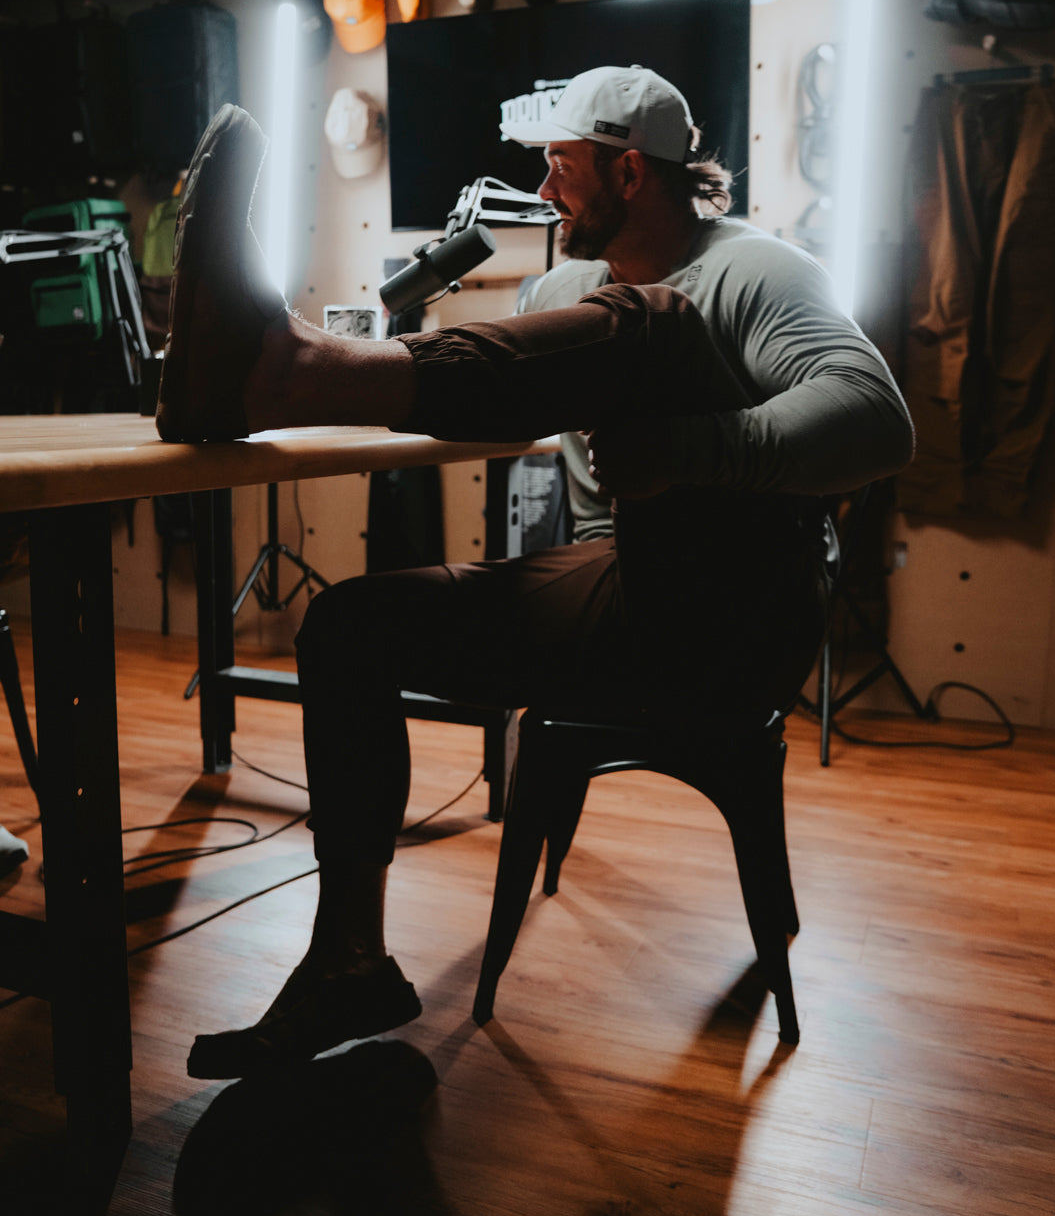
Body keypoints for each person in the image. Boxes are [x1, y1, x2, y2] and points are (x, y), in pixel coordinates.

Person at [157, 68, 914, 1077]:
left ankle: (281, 372)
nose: (546, 189)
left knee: (652, 319)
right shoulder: (556, 291)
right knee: (346, 627)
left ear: (630, 172)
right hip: (620, 597)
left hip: (741, 621)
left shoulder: (758, 272)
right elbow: (498, 399)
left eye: (562, 166)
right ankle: (348, 962)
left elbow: (878, 420)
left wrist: (688, 452)